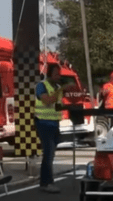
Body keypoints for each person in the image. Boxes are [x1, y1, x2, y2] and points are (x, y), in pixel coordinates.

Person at [34, 64, 75, 193]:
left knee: (50, 154)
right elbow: (47, 101)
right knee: (48, 153)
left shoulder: (57, 87)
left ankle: (45, 182)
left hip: (54, 124)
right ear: (50, 74)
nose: (59, 76)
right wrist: (62, 89)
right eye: (56, 74)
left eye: (59, 73)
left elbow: (57, 105)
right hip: (44, 123)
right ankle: (47, 183)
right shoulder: (41, 86)